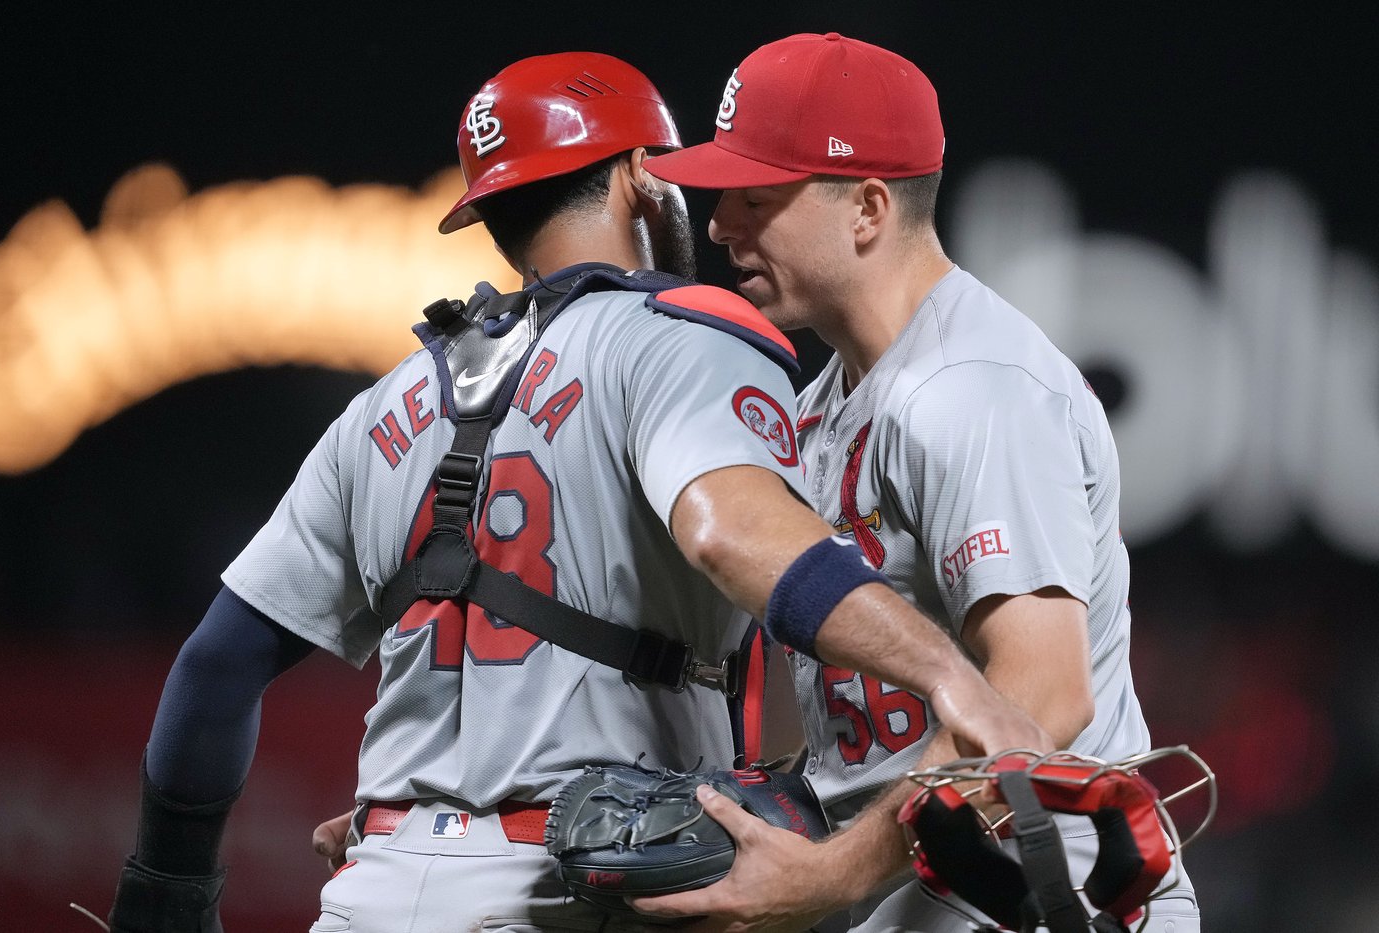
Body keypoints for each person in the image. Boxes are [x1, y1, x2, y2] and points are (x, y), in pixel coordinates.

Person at [104, 49, 1048, 933]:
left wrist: (167, 897)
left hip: (373, 885)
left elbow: (214, 668)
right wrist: (956, 678)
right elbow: (733, 533)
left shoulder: (386, 402)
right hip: (560, 896)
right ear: (643, 174)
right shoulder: (678, 339)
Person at [635, 31, 1201, 933]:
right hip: (932, 901)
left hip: (1050, 902)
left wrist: (827, 878)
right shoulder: (829, 400)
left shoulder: (976, 390)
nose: (719, 225)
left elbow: (1038, 698)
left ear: (866, 208)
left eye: (758, 195)